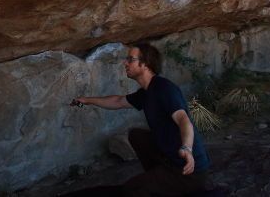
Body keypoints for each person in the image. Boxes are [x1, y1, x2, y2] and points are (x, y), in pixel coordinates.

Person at [68, 42, 212, 197]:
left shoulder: (164, 89)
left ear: (145, 64)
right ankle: (157, 178)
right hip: (172, 159)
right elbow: (118, 101)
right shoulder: (146, 92)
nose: (125, 63)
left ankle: (159, 184)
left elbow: (184, 120)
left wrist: (187, 149)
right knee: (137, 135)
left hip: (189, 172)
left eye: (130, 59)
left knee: (132, 189)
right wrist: (87, 100)